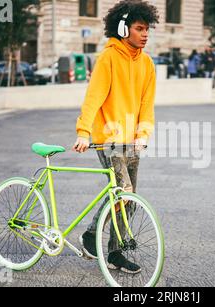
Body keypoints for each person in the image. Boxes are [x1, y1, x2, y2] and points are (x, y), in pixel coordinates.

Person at [72, 0, 159, 274]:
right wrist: (84, 132)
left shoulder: (147, 64)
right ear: (123, 29)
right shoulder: (108, 58)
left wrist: (143, 134)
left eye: (147, 29)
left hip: (131, 140)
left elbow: (147, 104)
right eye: (139, 28)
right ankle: (108, 248)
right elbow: (93, 97)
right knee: (124, 192)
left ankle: (98, 242)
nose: (145, 34)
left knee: (127, 200)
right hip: (108, 139)